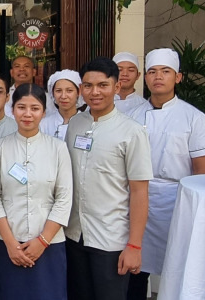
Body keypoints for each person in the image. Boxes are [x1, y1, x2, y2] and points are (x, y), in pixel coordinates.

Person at [126, 48, 205, 300]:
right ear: (146, 78)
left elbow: (201, 175)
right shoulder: (132, 116)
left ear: (178, 77)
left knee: (177, 264)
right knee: (136, 266)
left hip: (176, 203)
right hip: (137, 198)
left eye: (166, 71)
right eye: (152, 72)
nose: (158, 77)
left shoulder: (194, 118)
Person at [64, 57, 152, 300]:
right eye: (88, 86)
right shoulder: (75, 123)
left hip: (111, 240)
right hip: (74, 235)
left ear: (116, 87)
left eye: (103, 85)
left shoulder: (132, 132)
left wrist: (134, 246)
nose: (95, 92)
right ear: (81, 89)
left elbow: (139, 191)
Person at [0, 83, 72, 300]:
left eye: (34, 108)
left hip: (49, 244)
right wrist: (10, 243)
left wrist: (42, 241)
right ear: (12, 109)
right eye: (21, 107)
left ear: (44, 112)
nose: (27, 114)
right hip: (8, 243)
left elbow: (64, 198)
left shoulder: (58, 148)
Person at [40, 70, 84, 140]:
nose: (63, 96)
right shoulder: (44, 124)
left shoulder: (86, 123)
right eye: (58, 91)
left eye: (69, 91)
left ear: (78, 92)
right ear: (52, 93)